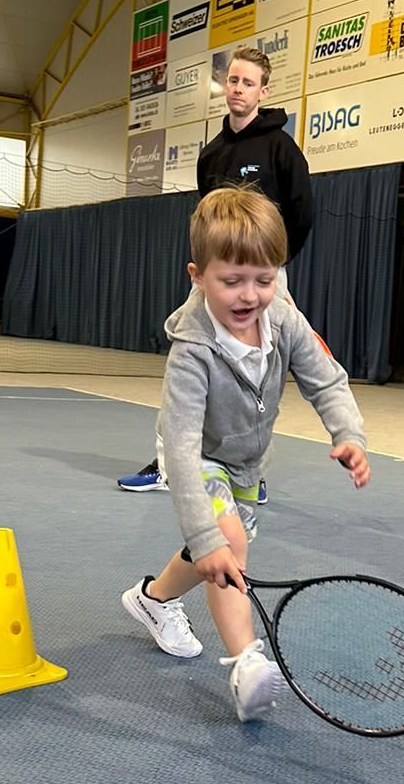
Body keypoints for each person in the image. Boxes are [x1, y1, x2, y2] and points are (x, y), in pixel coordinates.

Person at [121, 188, 369, 722]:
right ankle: (246, 663)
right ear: (197, 275)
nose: (248, 296)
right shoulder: (191, 352)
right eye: (230, 281)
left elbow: (327, 382)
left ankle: (152, 598)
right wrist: (206, 533)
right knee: (226, 544)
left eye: (263, 279)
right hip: (196, 457)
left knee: (215, 557)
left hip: (247, 464)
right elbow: (184, 451)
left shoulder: (284, 321)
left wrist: (348, 435)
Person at [117, 45, 315, 495]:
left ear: (263, 90)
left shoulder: (281, 148)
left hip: (265, 278)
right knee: (184, 362)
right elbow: (204, 218)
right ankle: (168, 468)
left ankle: (251, 475)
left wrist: (270, 269)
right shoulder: (211, 154)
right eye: (232, 80)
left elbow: (302, 214)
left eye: (248, 82)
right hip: (212, 281)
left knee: (259, 377)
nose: (238, 89)